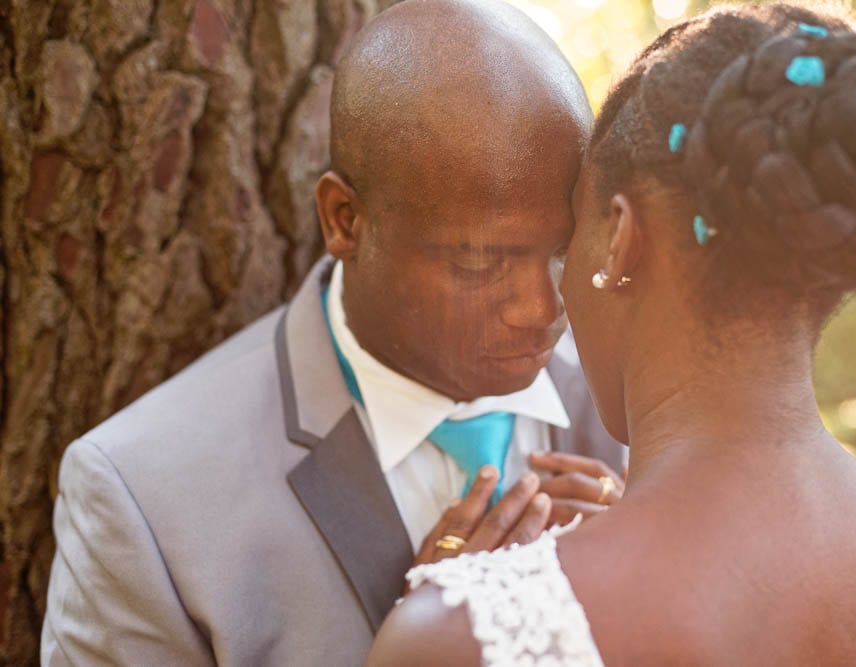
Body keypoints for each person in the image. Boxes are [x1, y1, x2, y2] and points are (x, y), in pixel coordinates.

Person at [366, 3, 856, 665]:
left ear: (619, 237)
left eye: (567, 239)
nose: (551, 293)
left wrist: (450, 605)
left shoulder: (458, 633)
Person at [40, 1, 625, 664]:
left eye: (564, 248)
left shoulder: (640, 406)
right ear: (344, 218)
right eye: (479, 260)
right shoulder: (143, 503)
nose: (543, 305)